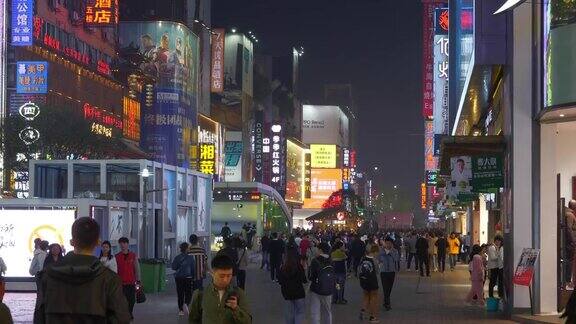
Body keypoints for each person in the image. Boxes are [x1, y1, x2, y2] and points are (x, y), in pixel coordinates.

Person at [33, 217, 130, 324]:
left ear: (72, 242)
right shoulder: (110, 279)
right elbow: (121, 319)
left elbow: (39, 318)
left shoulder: (47, 276)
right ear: (98, 242)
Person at [188, 254, 252, 324]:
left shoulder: (238, 293)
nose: (225, 280)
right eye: (222, 276)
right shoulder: (200, 294)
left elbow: (248, 321)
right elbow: (192, 320)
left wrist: (236, 308)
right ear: (212, 273)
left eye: (229, 276)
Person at [278, 250, 307, 324]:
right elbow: (304, 280)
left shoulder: (283, 268)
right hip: (299, 293)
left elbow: (280, 281)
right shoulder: (299, 266)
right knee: (299, 312)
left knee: (289, 314)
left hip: (287, 294)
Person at [308, 243, 335, 324]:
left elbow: (311, 276)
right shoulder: (331, 260)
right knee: (328, 311)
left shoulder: (315, 261)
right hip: (329, 289)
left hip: (316, 289)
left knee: (315, 312)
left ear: (320, 250)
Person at [115, 237, 141, 320]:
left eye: (124, 244)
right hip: (121, 283)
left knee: (131, 300)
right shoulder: (117, 257)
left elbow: (137, 269)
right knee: (122, 300)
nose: (122, 246)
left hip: (131, 282)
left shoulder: (133, 256)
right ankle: (125, 314)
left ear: (127, 244)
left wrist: (138, 281)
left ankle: (130, 312)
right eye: (121, 244)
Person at [172, 242, 196, 316]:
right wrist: (194, 276)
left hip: (179, 278)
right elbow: (193, 268)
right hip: (188, 277)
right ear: (186, 249)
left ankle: (181, 310)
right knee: (189, 292)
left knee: (180, 293)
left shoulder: (177, 257)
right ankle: (186, 303)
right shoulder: (191, 258)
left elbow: (174, 267)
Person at [358, 245, 380, 323]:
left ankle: (363, 310)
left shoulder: (362, 259)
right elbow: (377, 271)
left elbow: (359, 270)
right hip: (372, 281)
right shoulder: (374, 260)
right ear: (374, 252)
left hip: (364, 281)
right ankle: (373, 317)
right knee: (374, 299)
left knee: (366, 296)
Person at [378, 237, 399, 311]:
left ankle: (385, 300)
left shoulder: (395, 251)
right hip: (383, 272)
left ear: (392, 244)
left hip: (392, 272)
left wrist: (390, 252)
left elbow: (396, 259)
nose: (388, 244)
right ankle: (387, 304)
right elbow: (378, 259)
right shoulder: (381, 251)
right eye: (387, 243)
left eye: (390, 243)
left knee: (389, 288)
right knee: (385, 288)